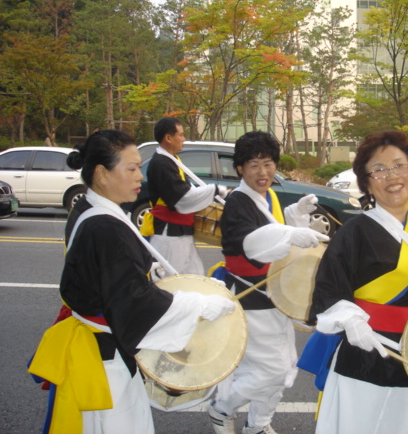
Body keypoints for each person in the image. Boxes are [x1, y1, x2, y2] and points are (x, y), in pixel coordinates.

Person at [28, 130, 236, 434]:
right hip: (105, 362)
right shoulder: (104, 225)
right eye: (132, 168)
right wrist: (199, 305)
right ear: (101, 173)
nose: (141, 175)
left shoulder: (89, 209)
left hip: (100, 350)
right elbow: (135, 303)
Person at [305, 130, 408, 434]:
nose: (392, 176)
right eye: (379, 169)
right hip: (365, 352)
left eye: (399, 165)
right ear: (366, 182)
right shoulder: (354, 232)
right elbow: (329, 290)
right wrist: (350, 320)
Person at [207, 131, 329, 434]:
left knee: (280, 361)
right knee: (272, 368)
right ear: (239, 169)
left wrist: (296, 214)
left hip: (274, 292)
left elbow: (274, 229)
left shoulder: (266, 196)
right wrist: (290, 234)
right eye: (254, 166)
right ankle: (222, 409)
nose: (263, 173)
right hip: (250, 296)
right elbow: (251, 244)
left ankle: (259, 424)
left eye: (268, 164)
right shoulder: (237, 202)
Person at [145, 117, 226, 276]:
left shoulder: (171, 160)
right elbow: (182, 199)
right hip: (169, 235)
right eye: (180, 135)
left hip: (180, 233)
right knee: (171, 280)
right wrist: (216, 190)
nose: (184, 139)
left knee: (193, 276)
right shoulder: (161, 163)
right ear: (168, 138)